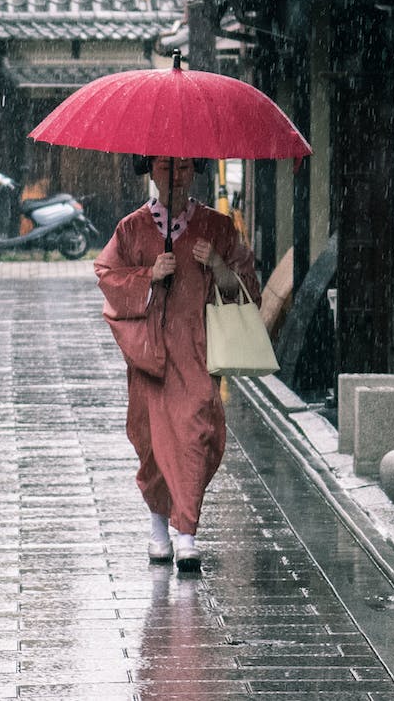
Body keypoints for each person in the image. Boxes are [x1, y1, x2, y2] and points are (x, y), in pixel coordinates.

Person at [94, 155, 259, 572]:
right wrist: (149, 276)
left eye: (184, 168)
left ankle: (187, 532)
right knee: (151, 443)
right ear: (151, 171)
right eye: (166, 168)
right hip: (149, 355)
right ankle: (159, 530)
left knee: (193, 433)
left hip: (196, 350)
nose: (175, 177)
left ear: (195, 170)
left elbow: (246, 287)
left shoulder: (218, 228)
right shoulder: (131, 229)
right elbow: (107, 275)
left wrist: (218, 266)